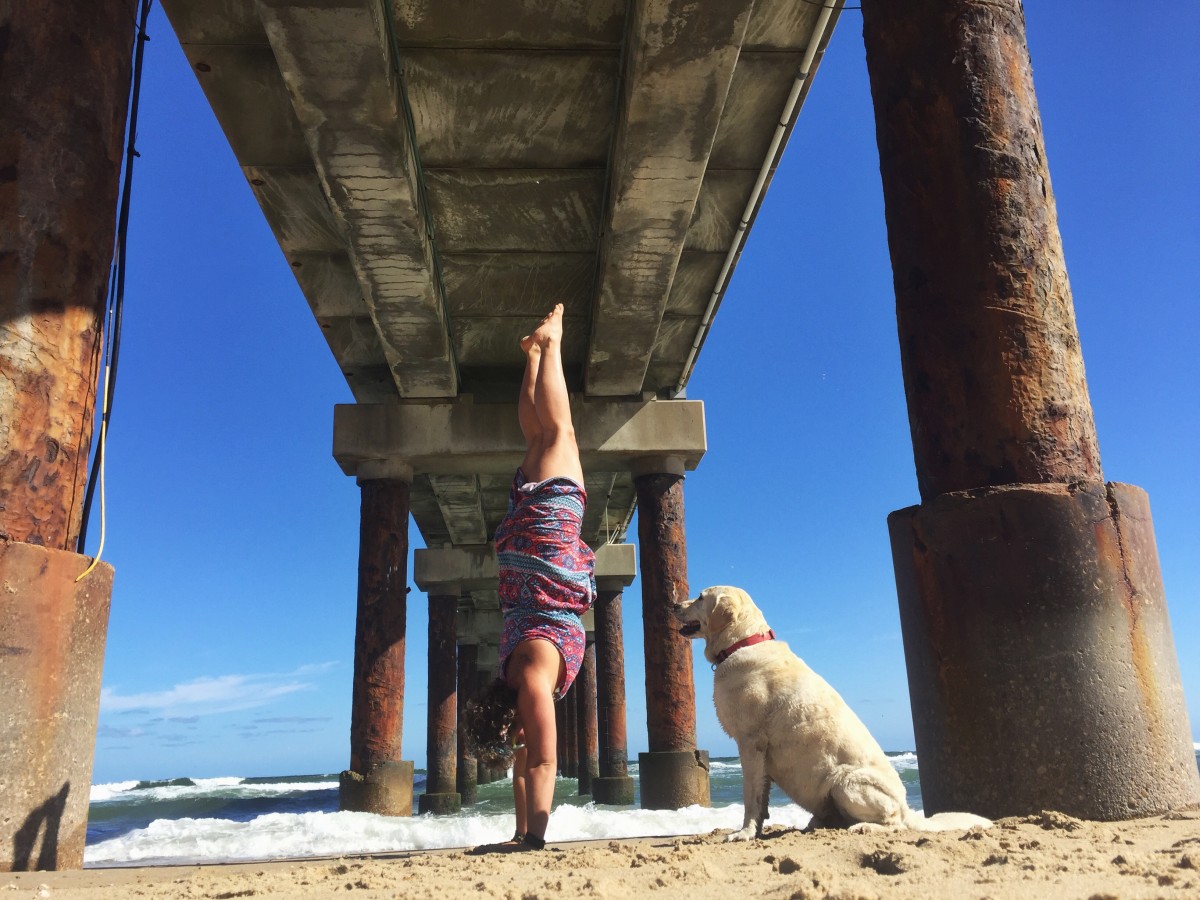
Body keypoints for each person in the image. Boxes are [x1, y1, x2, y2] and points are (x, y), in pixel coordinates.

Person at [465, 304, 596, 850]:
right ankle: (534, 355)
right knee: (538, 438)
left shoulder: (534, 686)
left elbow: (543, 761)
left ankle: (554, 342)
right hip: (521, 549)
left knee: (560, 429)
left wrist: (535, 839)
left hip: (547, 542)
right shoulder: (510, 673)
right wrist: (516, 831)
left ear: (511, 717)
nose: (516, 743)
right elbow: (523, 767)